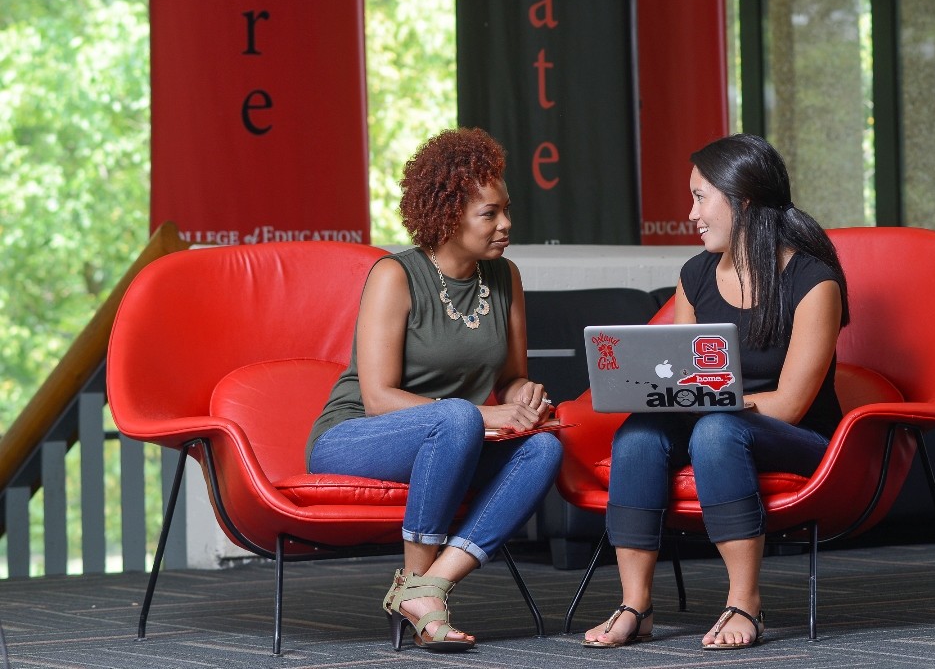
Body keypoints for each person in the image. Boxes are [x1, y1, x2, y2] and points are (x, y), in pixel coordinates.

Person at [583, 133, 849, 650]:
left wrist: (712, 405)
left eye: (701, 197)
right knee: (639, 434)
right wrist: (662, 396)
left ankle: (745, 601)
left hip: (801, 440)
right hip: (714, 422)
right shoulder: (695, 274)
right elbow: (678, 375)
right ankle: (636, 604)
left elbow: (792, 404)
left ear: (742, 201)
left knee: (716, 430)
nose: (691, 213)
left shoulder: (813, 282)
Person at [305, 128, 562, 653]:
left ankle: (429, 588)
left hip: (454, 437)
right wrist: (488, 416)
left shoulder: (505, 277)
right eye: (489, 214)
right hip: (357, 437)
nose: (506, 224)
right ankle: (420, 587)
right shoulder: (395, 275)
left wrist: (523, 395)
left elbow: (509, 375)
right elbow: (378, 397)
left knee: (543, 448)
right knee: (459, 417)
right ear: (448, 215)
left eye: (506, 209)